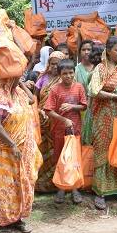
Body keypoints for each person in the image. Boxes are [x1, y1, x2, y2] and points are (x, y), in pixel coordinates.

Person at [87, 36, 117, 210]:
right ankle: (100, 192)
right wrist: (115, 97)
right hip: (104, 116)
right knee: (104, 150)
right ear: (108, 51)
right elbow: (94, 91)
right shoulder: (101, 68)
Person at [0, 77, 38, 233]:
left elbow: (32, 100)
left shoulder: (18, 92)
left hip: (22, 149)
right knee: (6, 186)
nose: (19, 78)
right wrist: (12, 145)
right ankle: (1, 224)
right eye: (16, 76)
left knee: (20, 184)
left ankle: (17, 219)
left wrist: (20, 83)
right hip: (6, 150)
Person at [44, 59, 87, 204]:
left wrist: (72, 107)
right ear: (59, 75)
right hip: (59, 131)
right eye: (65, 74)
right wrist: (63, 120)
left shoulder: (79, 87)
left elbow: (84, 105)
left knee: (74, 159)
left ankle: (75, 188)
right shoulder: (55, 89)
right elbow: (48, 110)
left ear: (74, 73)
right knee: (61, 158)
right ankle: (61, 188)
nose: (68, 76)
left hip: (75, 130)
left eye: (70, 73)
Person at [34, 51, 65, 192]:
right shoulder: (42, 77)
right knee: (42, 150)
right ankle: (40, 185)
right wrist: (38, 111)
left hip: (57, 119)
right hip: (42, 119)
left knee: (56, 150)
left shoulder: (64, 79)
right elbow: (35, 98)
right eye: (52, 64)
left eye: (57, 64)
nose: (54, 67)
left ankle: (55, 184)